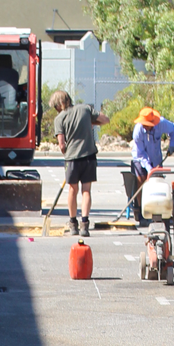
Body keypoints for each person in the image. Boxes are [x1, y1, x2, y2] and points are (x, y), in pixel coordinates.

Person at [51, 90, 110, 237]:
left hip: (72, 159)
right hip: (89, 156)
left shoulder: (59, 119)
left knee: (72, 190)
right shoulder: (85, 109)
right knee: (86, 191)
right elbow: (105, 120)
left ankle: (73, 224)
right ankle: (85, 224)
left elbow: (62, 145)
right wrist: (90, 121)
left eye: (55, 107)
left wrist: (68, 154)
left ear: (60, 104)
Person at [131, 107, 174, 225]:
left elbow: (173, 129)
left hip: (156, 158)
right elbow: (141, 154)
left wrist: (172, 144)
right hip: (140, 159)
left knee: (157, 184)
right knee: (141, 180)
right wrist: (150, 169)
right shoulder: (138, 132)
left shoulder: (161, 123)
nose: (145, 126)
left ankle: (158, 211)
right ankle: (142, 212)